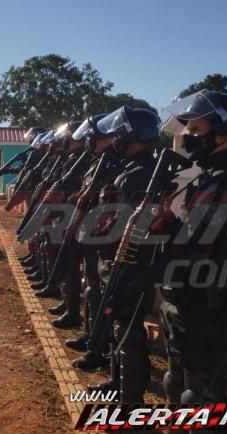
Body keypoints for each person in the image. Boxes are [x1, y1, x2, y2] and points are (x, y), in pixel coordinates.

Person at [155, 91, 227, 434]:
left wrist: (167, 232)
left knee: (196, 396)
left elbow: (199, 241)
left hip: (205, 301)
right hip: (183, 296)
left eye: (196, 127)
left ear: (224, 133)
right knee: (176, 383)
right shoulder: (206, 178)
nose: (189, 134)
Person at [75, 107, 161, 406]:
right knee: (116, 327)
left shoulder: (143, 175)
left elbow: (138, 222)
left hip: (133, 263)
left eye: (118, 134)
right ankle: (116, 383)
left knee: (128, 333)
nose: (114, 140)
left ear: (131, 136)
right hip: (115, 258)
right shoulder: (131, 170)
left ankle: (131, 405)